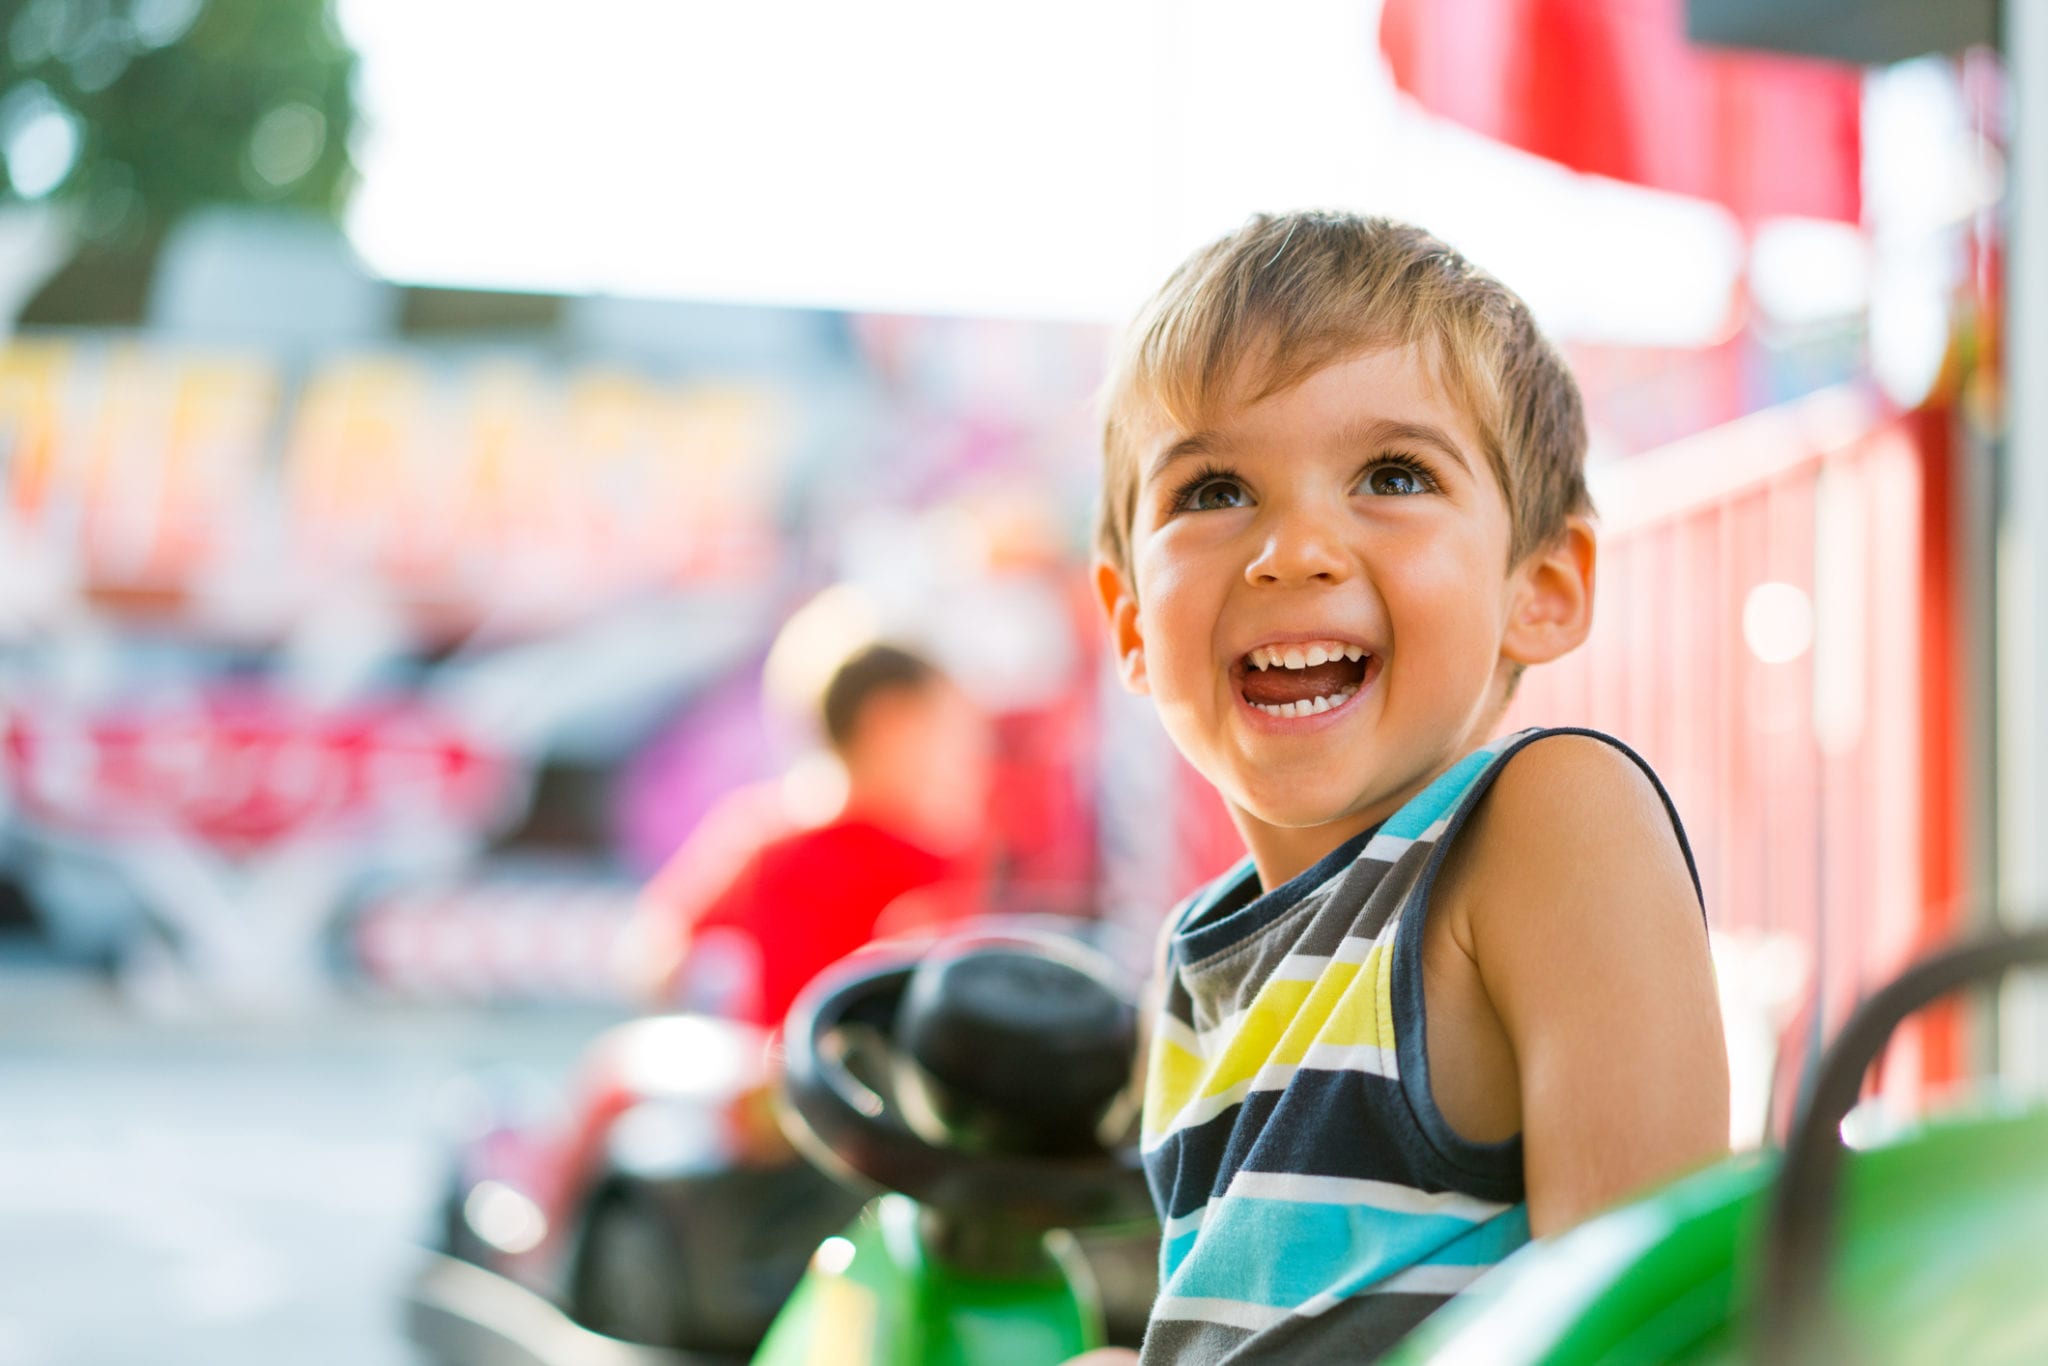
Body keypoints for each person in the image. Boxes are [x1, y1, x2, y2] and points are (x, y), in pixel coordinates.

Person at [1083, 212, 1730, 1363]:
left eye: (1391, 474)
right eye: (1214, 488)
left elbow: (1650, 1321)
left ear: (1538, 585)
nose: (1292, 548)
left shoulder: (1542, 822)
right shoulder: (1196, 960)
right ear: (1132, 621)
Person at [636, 641, 994, 1028]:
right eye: (947, 728)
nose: (966, 753)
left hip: (779, 1075)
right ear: (890, 723)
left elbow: (658, 957)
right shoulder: (935, 858)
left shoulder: (762, 833)